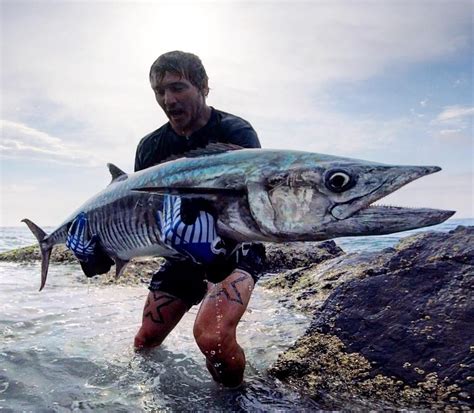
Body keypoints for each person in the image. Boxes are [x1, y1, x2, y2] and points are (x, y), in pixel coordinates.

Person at [133, 51, 266, 388]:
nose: (168, 100)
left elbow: (251, 199)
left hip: (235, 245)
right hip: (181, 254)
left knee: (213, 339)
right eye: (159, 92)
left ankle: (236, 399)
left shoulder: (235, 131)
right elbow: (144, 212)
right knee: (145, 343)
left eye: (178, 88)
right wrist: (108, 249)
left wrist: (216, 254)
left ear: (204, 87)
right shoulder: (149, 147)